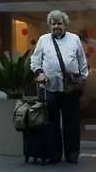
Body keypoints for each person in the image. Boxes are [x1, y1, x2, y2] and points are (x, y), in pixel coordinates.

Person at [30, 10, 88, 164]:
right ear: (50, 25)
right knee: (52, 123)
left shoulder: (74, 39)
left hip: (71, 88)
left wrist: (83, 79)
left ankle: (72, 154)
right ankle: (54, 154)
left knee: (72, 123)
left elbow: (82, 61)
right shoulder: (43, 40)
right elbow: (35, 61)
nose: (56, 26)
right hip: (51, 88)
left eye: (59, 23)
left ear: (65, 24)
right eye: (53, 24)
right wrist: (40, 73)